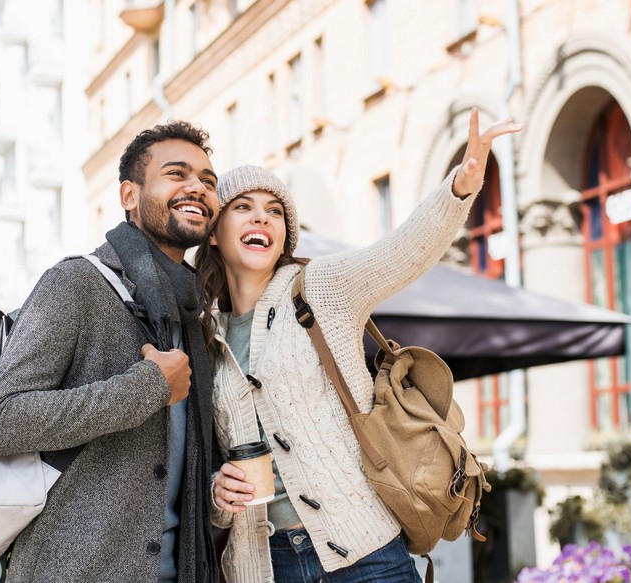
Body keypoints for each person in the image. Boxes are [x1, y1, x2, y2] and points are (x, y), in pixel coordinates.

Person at [196, 109, 521, 582]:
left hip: (366, 552)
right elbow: (203, 457)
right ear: (214, 230)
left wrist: (461, 185)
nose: (261, 218)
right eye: (243, 207)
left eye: (274, 211)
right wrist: (217, 496)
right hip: (264, 565)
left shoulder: (320, 287)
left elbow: (404, 250)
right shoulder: (206, 335)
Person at [0, 120, 221, 583]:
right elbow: (4, 421)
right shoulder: (76, 283)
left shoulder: (193, 314)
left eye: (208, 181)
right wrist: (148, 387)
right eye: (177, 174)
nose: (198, 187)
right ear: (129, 196)